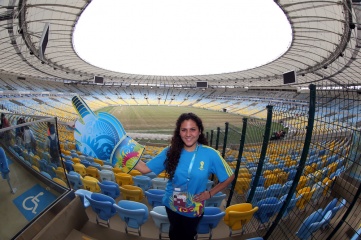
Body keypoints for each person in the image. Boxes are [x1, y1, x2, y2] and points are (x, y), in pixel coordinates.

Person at [134, 112, 235, 240]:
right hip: (172, 205)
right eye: (184, 130)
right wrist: (125, 156)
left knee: (188, 235)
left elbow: (229, 177)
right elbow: (144, 169)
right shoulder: (170, 151)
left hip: (194, 209)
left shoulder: (210, 154)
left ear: (199, 131)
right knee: (174, 232)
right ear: (179, 132)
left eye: (192, 129)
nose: (188, 134)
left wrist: (210, 194)